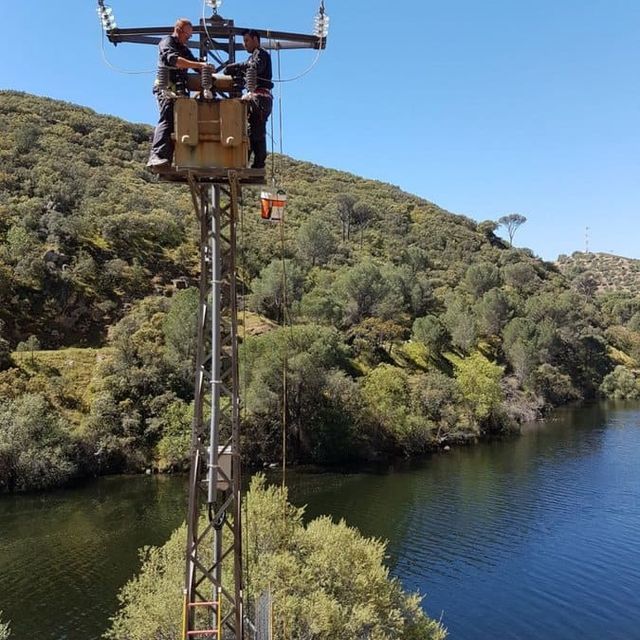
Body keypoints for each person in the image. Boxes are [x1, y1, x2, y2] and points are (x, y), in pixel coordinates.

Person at [147, 18, 212, 171]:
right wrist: (199, 65)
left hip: (179, 92)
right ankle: (157, 156)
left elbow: (195, 64)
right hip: (167, 89)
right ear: (178, 30)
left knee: (179, 124)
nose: (188, 39)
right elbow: (175, 61)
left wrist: (207, 69)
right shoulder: (167, 42)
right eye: (187, 36)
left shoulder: (183, 48)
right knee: (168, 118)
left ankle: (168, 160)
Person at [224, 30, 273, 169]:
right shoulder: (252, 57)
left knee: (256, 130)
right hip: (258, 98)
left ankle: (258, 163)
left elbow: (256, 67)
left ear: (255, 39)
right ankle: (249, 161)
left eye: (247, 41)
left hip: (260, 98)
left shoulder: (261, 54)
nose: (244, 44)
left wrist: (237, 66)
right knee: (252, 130)